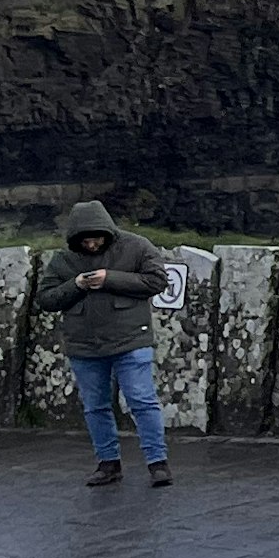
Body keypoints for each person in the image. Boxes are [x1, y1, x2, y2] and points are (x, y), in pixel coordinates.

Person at [34, 199, 172, 489]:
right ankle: (108, 464)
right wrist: (77, 285)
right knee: (95, 406)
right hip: (84, 346)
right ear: (75, 239)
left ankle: (158, 463)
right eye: (85, 240)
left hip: (131, 340)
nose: (92, 245)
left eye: (96, 238)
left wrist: (110, 279)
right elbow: (45, 299)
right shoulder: (62, 261)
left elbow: (157, 281)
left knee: (141, 400)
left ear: (107, 231)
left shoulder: (137, 246)